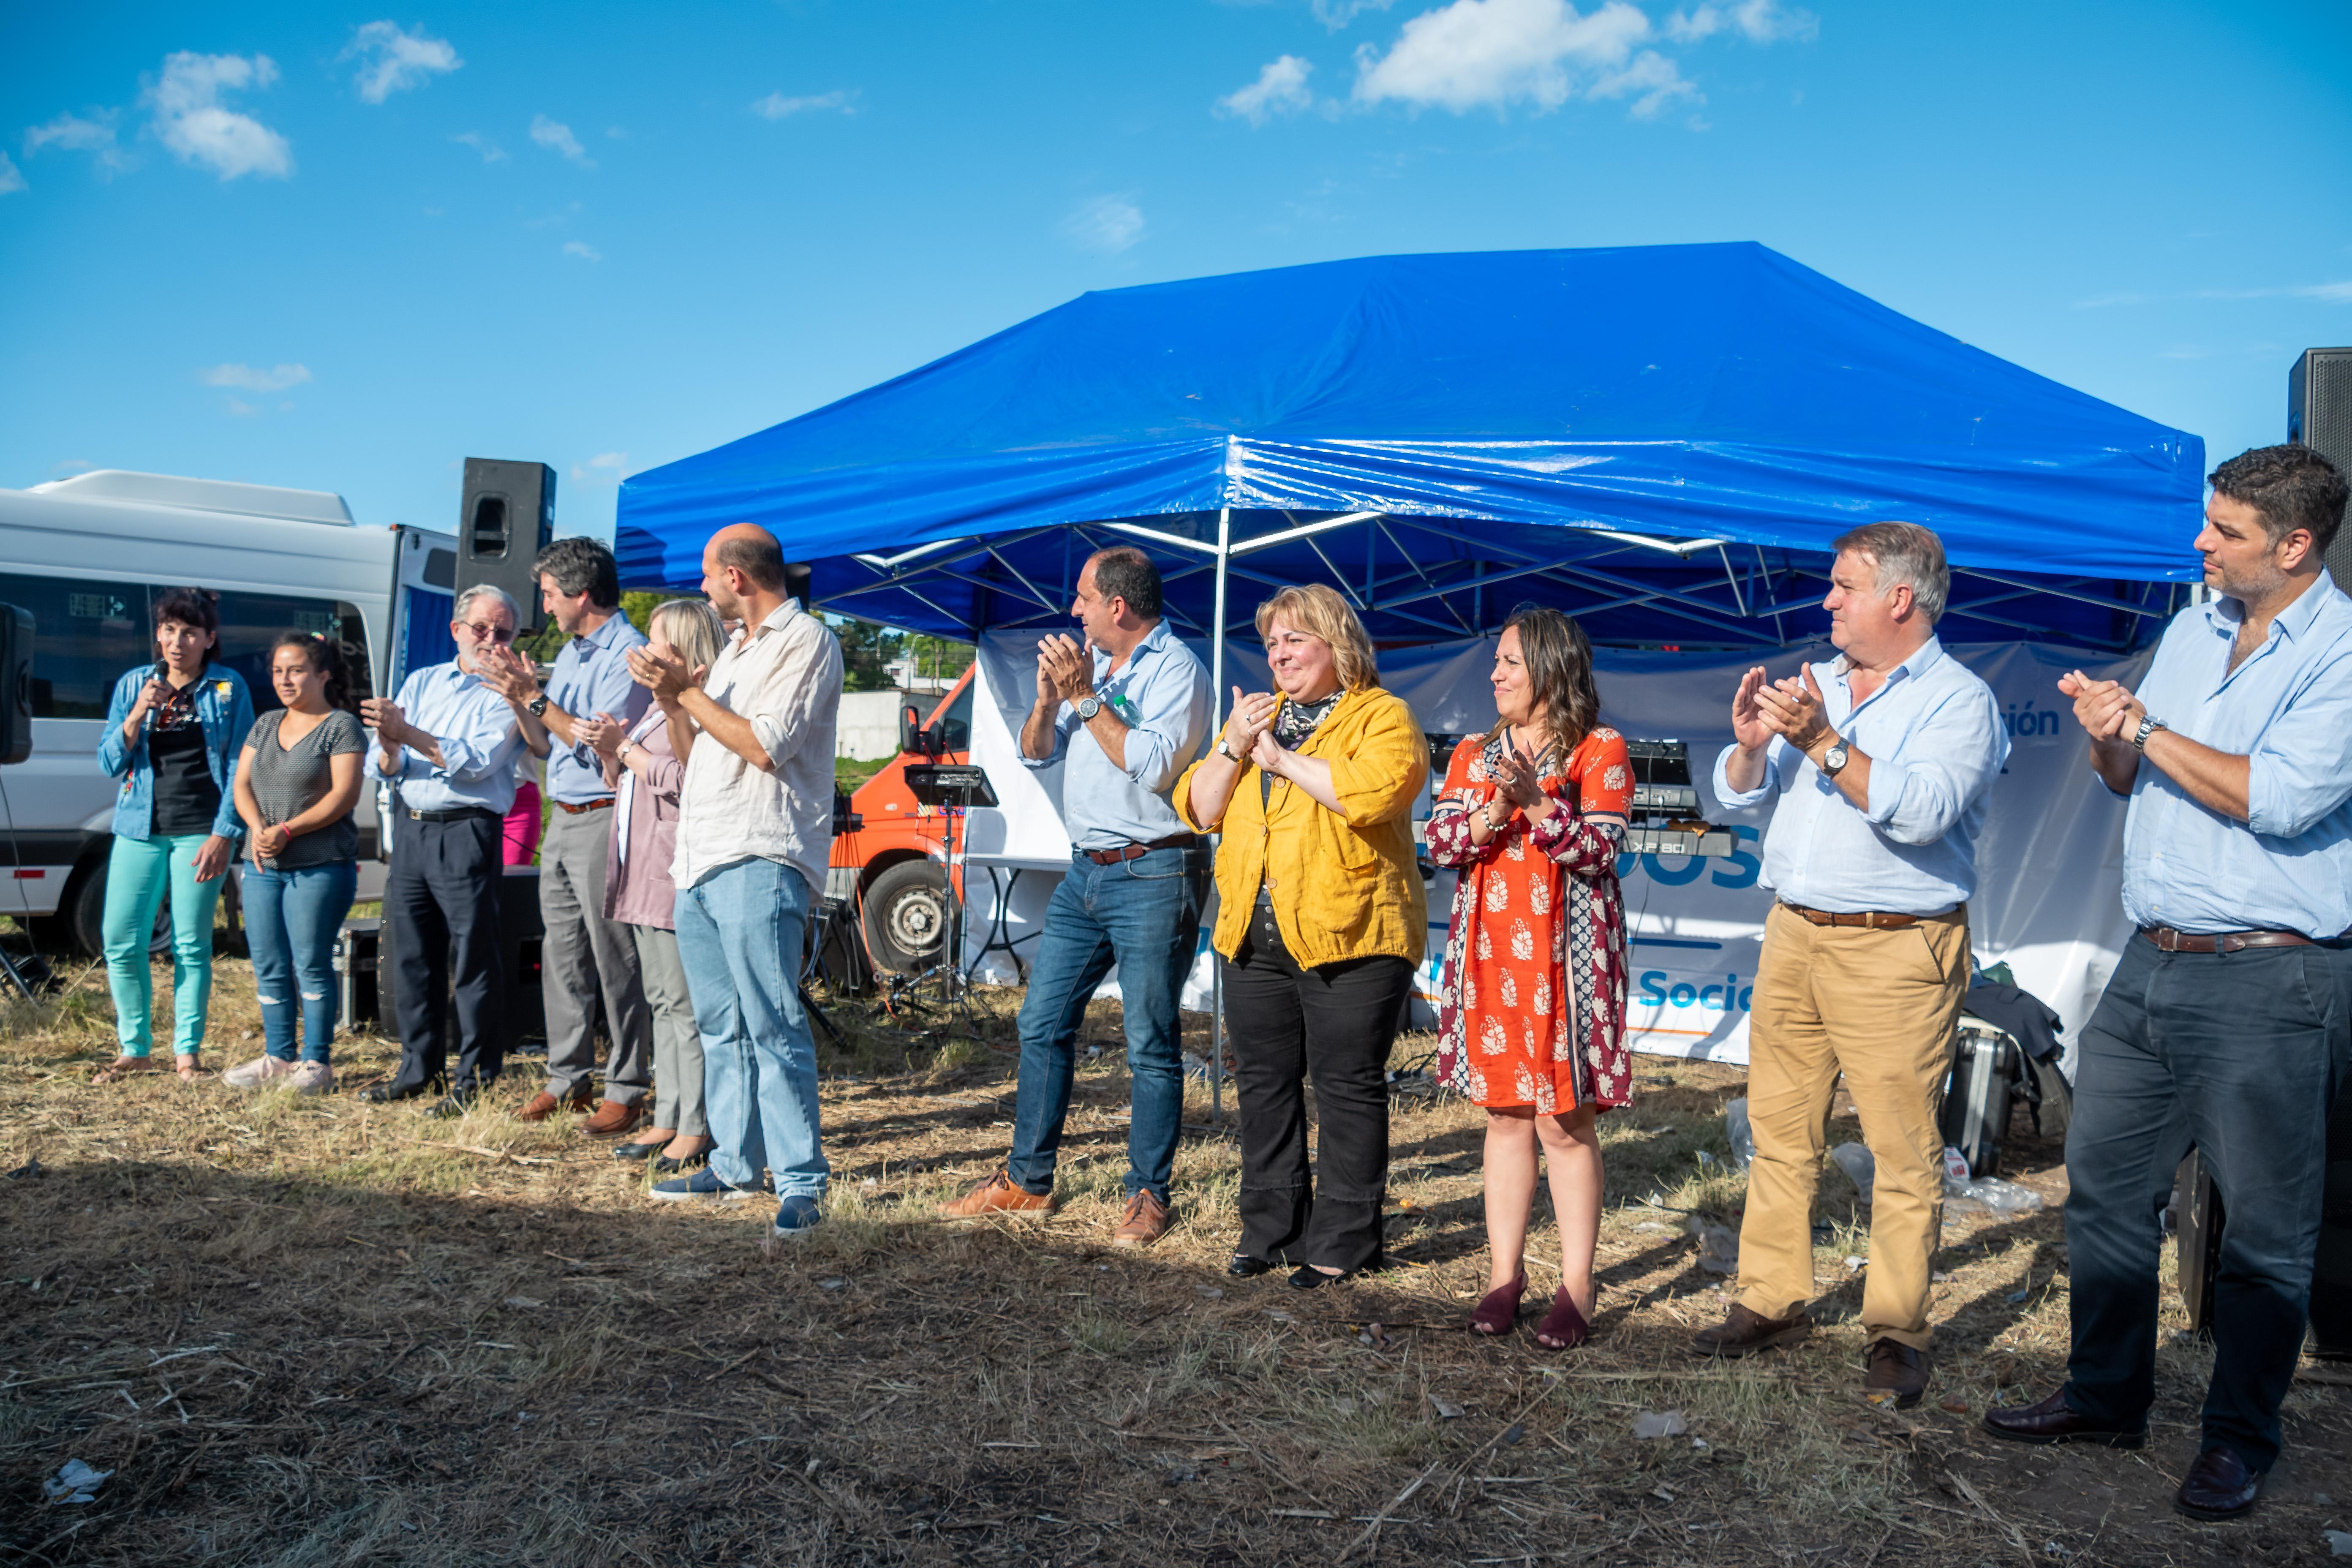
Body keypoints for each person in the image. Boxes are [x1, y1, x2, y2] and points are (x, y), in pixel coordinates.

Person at [1988, 446, 2352, 1521]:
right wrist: (2111, 736)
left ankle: (2239, 1438)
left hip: (2270, 980)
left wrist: (2141, 727)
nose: (2200, 542)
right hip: (2149, 960)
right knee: (2102, 1194)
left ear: (2293, 544)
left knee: (2264, 1235)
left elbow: (2275, 801)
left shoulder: (2339, 650)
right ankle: (2105, 1395)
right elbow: (2128, 773)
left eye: (2225, 530)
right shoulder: (2190, 628)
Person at [1691, 521, 2006, 1410]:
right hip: (1796, 926)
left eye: (1844, 585)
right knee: (1779, 1126)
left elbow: (1922, 812)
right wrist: (1752, 743)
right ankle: (1770, 1299)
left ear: (1900, 598)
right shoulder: (1815, 681)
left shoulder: (1959, 699)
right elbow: (1738, 797)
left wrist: (1827, 741)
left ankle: (1898, 1332)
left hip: (1899, 944)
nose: (1826, 599)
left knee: (1902, 1149)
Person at [939, 546, 1211, 1248]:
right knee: (1040, 1020)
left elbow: (1152, 767)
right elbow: (1036, 752)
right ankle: (1027, 1182)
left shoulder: (1176, 669)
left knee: (1149, 1040)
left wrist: (1087, 697)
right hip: (1085, 871)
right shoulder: (1104, 671)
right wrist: (1045, 700)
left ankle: (1147, 1192)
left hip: (1154, 869)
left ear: (1116, 607)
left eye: (1084, 599)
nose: (1074, 611)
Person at [1175, 585, 1426, 1287]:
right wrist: (1231, 745)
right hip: (1252, 937)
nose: (1278, 653)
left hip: (1351, 934)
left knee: (1346, 1084)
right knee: (1263, 1084)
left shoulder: (1382, 715)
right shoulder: (1258, 716)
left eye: (1294, 639)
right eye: (1271, 642)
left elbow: (1370, 794)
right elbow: (1199, 807)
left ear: (1336, 644)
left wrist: (1279, 758)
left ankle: (1343, 1243)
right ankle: (1271, 1231)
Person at [629, 525, 842, 1241]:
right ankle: (733, 1161)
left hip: (760, 851)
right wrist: (671, 699)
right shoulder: (734, 652)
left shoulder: (804, 640)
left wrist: (686, 688)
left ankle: (801, 1179)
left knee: (772, 1020)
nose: (703, 586)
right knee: (722, 1025)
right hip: (700, 857)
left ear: (736, 576)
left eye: (706, 575)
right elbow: (695, 756)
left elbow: (763, 744)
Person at [1427, 606, 1633, 1347]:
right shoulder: (1472, 752)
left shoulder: (1598, 748)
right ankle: (1502, 1276)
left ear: (1548, 666)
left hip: (1566, 959)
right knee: (1505, 1113)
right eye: (1495, 662)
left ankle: (1576, 1285)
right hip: (1491, 955)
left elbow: (1599, 850)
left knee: (1562, 1118)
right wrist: (1493, 809)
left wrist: (1538, 803)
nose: (1494, 674)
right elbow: (1442, 839)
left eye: (1509, 661)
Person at [477, 537, 653, 1136]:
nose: (545, 606)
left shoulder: (627, 652)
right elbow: (547, 740)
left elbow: (588, 738)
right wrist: (520, 699)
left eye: (551, 594)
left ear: (581, 593)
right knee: (563, 957)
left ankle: (627, 1086)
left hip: (605, 814)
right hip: (565, 816)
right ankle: (568, 1077)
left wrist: (534, 696)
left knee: (616, 961)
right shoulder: (575, 651)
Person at [360, 585, 530, 1116]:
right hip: (413, 827)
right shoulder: (423, 680)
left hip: (467, 831)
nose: (491, 640)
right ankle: (418, 1067)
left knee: (473, 959)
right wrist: (391, 743)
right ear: (456, 629)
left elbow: (476, 763)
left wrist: (406, 734)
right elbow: (384, 765)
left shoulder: (510, 696)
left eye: (503, 632)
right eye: (481, 628)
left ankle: (476, 1074)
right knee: (412, 955)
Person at [579, 597, 725, 1175]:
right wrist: (611, 749)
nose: (643, 650)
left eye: (656, 640)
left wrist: (628, 751)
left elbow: (690, 779)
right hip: (639, 868)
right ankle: (669, 1113)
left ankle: (695, 1125)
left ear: (684, 648)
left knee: (683, 1006)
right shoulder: (655, 706)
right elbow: (632, 777)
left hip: (669, 870)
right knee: (662, 1002)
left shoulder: (695, 703)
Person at [92, 588, 252, 1083]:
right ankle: (135, 1049)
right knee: (120, 940)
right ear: (158, 635)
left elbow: (239, 764)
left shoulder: (228, 688)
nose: (178, 642)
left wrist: (225, 833)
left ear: (209, 639)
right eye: (169, 631)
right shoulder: (135, 682)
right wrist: (138, 713)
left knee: (190, 944)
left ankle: (187, 1055)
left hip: (200, 832)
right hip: (139, 829)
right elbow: (108, 762)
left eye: (189, 632)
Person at [223, 633, 367, 1095]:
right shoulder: (265, 724)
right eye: (278, 671)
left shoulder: (340, 726)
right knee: (268, 962)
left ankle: (316, 1063)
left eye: (297, 670)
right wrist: (258, 828)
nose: (285, 680)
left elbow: (343, 797)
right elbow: (241, 783)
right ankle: (278, 1056)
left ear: (322, 675)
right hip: (263, 865)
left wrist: (288, 831)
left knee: (311, 961)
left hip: (320, 864)